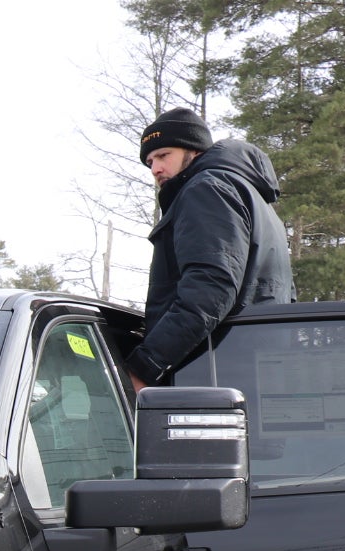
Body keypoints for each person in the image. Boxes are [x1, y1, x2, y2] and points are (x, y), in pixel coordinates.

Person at [124, 107, 294, 389]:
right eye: (150, 161)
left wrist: (146, 366)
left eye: (164, 155)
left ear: (194, 150)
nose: (155, 169)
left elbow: (210, 289)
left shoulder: (206, 189)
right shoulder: (252, 199)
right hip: (252, 371)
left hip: (210, 373)